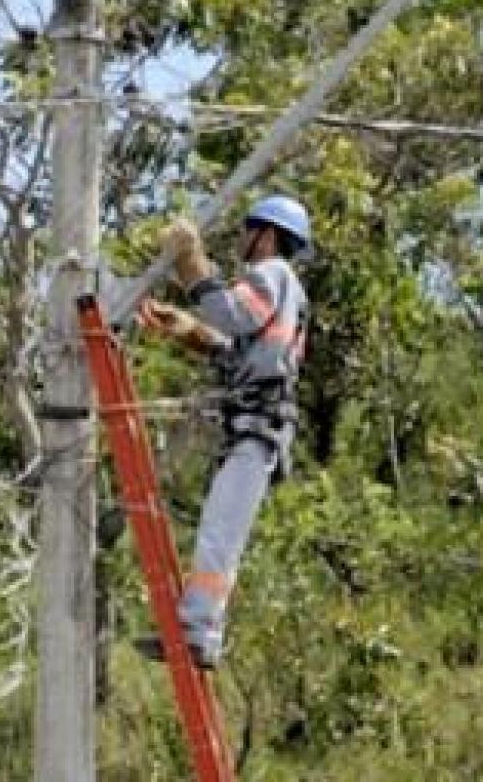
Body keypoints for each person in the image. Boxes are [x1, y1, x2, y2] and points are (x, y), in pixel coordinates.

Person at [134, 194, 314, 669]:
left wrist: (192, 264)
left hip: (260, 429)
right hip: (254, 428)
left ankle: (198, 632)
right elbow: (233, 348)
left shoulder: (273, 274)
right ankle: (197, 630)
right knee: (218, 529)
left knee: (219, 535)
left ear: (267, 235)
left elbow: (232, 315)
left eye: (246, 231)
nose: (240, 241)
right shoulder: (282, 289)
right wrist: (188, 328)